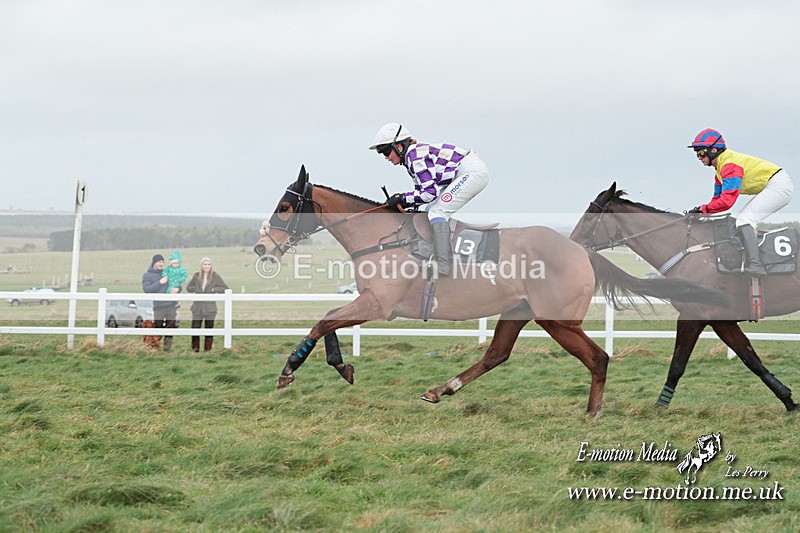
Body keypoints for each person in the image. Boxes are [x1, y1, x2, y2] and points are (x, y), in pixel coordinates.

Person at [369, 122, 490, 276]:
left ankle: (443, 264)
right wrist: (403, 201)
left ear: (399, 146)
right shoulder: (410, 158)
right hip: (464, 172)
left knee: (437, 212)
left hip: (472, 173)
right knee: (430, 211)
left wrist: (402, 198)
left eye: (386, 151)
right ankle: (441, 252)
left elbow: (429, 194)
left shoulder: (415, 158)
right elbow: (421, 193)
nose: (386, 157)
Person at [687, 128, 794, 276]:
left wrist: (702, 209)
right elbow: (717, 201)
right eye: (697, 154)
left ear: (713, 150)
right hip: (773, 184)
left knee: (745, 220)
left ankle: (756, 265)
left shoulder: (729, 166)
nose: (699, 157)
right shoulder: (719, 172)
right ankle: (748, 260)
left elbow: (726, 202)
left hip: (779, 185)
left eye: (701, 152)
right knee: (738, 220)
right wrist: (700, 212)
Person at [185, 256, 229, 352]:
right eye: (205, 264)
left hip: (210, 308)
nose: (207, 266)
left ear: (211, 266)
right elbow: (189, 287)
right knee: (195, 328)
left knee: (209, 328)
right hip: (197, 307)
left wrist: (214, 290)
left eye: (209, 264)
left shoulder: (215, 276)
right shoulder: (196, 276)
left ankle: (207, 350)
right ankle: (195, 349)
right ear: (201, 265)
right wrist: (195, 289)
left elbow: (225, 288)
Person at [141, 253, 181, 351]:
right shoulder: (147, 275)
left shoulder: (167, 272)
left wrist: (178, 289)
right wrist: (160, 282)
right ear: (154, 263)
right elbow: (147, 289)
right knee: (158, 327)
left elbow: (177, 284)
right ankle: (155, 348)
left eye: (162, 262)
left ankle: (167, 349)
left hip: (171, 305)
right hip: (159, 306)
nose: (161, 264)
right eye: (159, 262)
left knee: (170, 327)